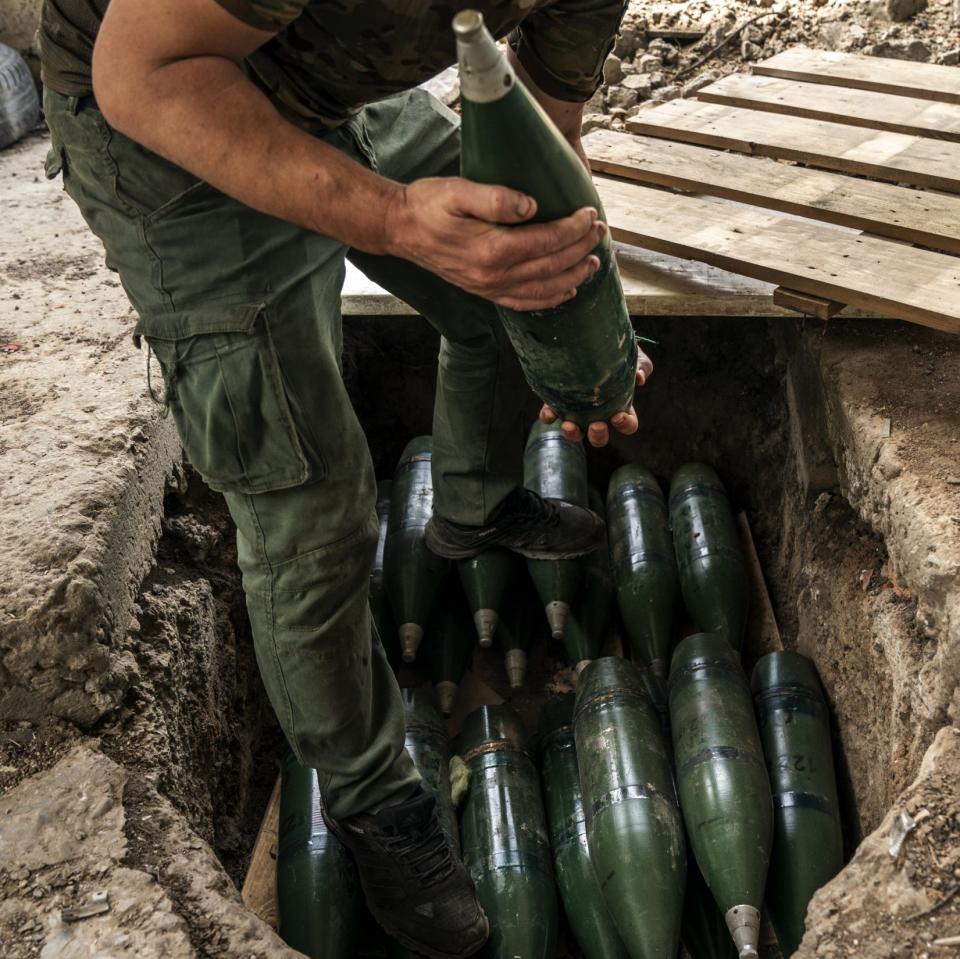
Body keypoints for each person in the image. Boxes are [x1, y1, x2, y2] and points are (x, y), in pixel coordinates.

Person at [38, 0, 651, 954]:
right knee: (310, 498)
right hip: (165, 114)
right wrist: (401, 219)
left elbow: (544, 128)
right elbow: (141, 75)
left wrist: (566, 300)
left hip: (321, 83)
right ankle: (371, 800)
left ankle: (473, 505)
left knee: (511, 290)